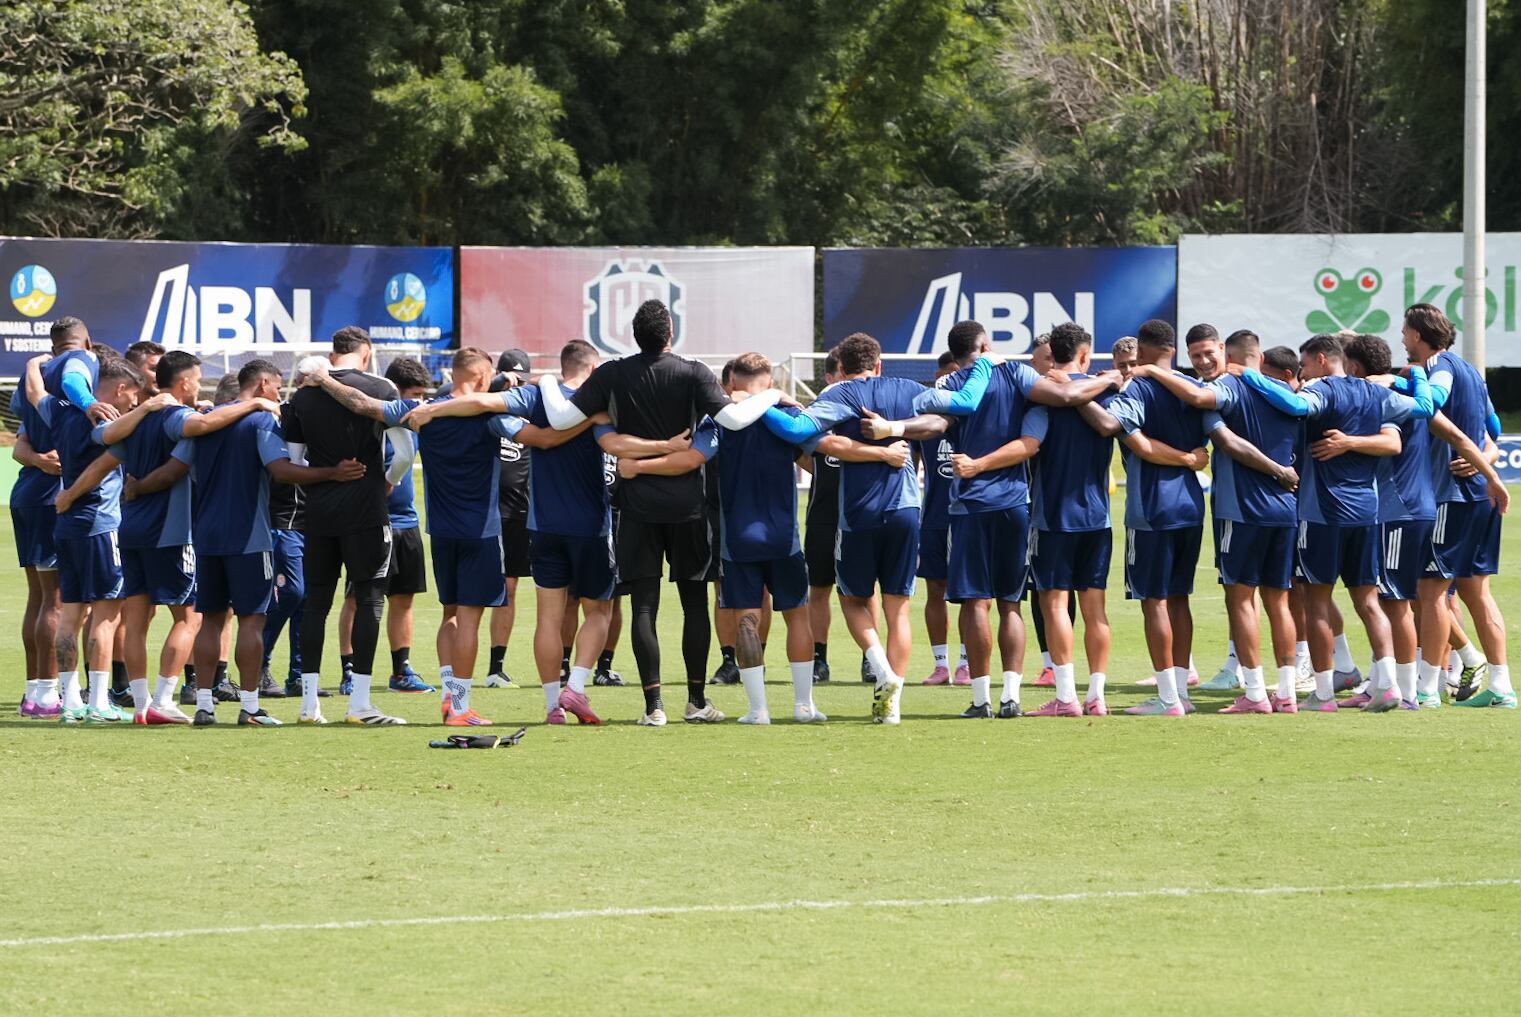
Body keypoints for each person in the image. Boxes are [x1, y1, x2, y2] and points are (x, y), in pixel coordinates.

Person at [536, 298, 782, 725]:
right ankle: (696, 701)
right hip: (687, 507)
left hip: (636, 507)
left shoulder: (612, 372)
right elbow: (738, 421)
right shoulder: (692, 371)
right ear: (671, 333)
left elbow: (559, 420)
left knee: (644, 608)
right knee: (693, 605)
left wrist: (542, 379)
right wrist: (775, 393)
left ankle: (654, 707)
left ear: (635, 335)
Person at [304, 347, 532, 727]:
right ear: (482, 379)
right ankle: (459, 707)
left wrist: (324, 378)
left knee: (450, 615)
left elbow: (362, 404)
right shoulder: (493, 417)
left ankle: (448, 695)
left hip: (440, 530)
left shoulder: (422, 413)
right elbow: (537, 436)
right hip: (482, 531)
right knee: (470, 621)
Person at [60, 350, 284, 723]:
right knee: (190, 619)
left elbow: (102, 458)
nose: (199, 385)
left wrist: (69, 493)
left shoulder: (136, 421)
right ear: (183, 382)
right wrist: (253, 404)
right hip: (169, 531)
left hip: (128, 529)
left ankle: (141, 704)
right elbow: (194, 438)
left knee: (135, 620)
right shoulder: (180, 418)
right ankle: (164, 700)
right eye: (197, 379)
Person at [405, 339, 617, 726]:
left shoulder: (525, 397)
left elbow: (481, 401)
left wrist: (439, 404)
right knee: (599, 611)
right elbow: (544, 437)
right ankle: (576, 686)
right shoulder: (599, 399)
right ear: (594, 367)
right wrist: (592, 418)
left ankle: (548, 705)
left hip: (519, 524)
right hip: (578, 524)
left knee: (530, 618)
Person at [1235, 333, 1431, 711]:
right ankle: (1388, 685)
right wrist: (1416, 375)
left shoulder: (1322, 391)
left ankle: (1323, 693)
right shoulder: (1377, 394)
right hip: (1368, 511)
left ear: (1322, 360)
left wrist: (1249, 375)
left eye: (1305, 366)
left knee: (1317, 600)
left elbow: (1292, 403)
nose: (1302, 374)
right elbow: (1423, 406)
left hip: (1323, 512)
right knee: (1369, 600)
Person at [176, 360, 365, 726]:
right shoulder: (260, 420)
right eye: (278, 387)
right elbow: (282, 470)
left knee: (211, 619)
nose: (279, 394)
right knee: (252, 619)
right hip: (248, 534)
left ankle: (203, 704)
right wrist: (332, 473)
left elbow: (179, 468)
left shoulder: (206, 421)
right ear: (263, 383)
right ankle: (249, 707)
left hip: (206, 534)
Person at [1130, 328, 1304, 712]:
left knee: (1242, 601)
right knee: (1280, 601)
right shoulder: (1286, 394)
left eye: (1208, 353)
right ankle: (1287, 693)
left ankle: (1256, 693)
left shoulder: (1224, 390)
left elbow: (1226, 441)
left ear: (1225, 351)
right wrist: (1289, 473)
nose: (1203, 362)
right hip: (1286, 508)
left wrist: (1153, 371)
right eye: (1196, 356)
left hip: (1242, 510)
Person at [281, 326, 416, 724]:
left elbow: (296, 461)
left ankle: (309, 705)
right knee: (371, 600)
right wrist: (386, 483)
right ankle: (359, 704)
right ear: (366, 351)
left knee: (316, 605)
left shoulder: (303, 395)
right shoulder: (382, 386)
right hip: (366, 510)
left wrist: (327, 475)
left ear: (332, 352)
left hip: (319, 512)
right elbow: (406, 454)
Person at [1079, 320, 1210, 716]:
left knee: (1153, 601)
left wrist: (1078, 394)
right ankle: (1182, 689)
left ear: (1146, 350)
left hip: (1152, 506)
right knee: (1179, 599)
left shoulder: (1141, 388)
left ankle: (1169, 698)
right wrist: (1191, 458)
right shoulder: (1195, 388)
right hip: (1191, 502)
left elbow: (1116, 428)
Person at [23, 352, 162, 723]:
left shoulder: (61, 412)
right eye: (134, 395)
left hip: (66, 527)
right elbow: (104, 463)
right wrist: (148, 411)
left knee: (70, 614)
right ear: (119, 389)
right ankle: (99, 701)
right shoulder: (108, 421)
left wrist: (33, 365)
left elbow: (36, 394)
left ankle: (69, 701)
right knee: (106, 614)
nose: (135, 401)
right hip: (101, 523)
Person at [1401, 303, 1514, 709]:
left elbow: (1434, 399)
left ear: (1417, 335)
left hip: (1451, 495)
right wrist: (1488, 457)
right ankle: (1501, 687)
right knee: (1476, 592)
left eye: (1405, 332)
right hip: (1478, 494)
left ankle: (1427, 689)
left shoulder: (1439, 367)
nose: (1402, 339)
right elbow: (1494, 430)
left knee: (1429, 590)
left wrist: (1420, 392)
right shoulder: (1473, 373)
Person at [708, 354, 825, 723]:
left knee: (746, 619)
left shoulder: (722, 420)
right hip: (783, 537)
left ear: (732, 384)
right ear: (770, 382)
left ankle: (758, 709)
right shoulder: (787, 418)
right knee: (798, 617)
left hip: (738, 536)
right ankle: (804, 705)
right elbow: (816, 465)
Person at [335, 357, 436, 695]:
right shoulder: (368, 422)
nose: (418, 402)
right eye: (414, 395)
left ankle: (400, 670)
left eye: (423, 395)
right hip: (370, 521)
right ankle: (349, 670)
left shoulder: (415, 423)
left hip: (407, 521)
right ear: (394, 393)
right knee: (358, 598)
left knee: (403, 598)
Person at [917, 351, 970, 687]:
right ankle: (940, 665)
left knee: (970, 593)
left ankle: (967, 663)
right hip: (934, 516)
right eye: (943, 377)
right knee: (935, 589)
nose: (946, 383)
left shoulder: (976, 415)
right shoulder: (925, 416)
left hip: (968, 515)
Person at [487, 347, 534, 689]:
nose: (515, 385)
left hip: (521, 514)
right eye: (511, 378)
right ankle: (454, 670)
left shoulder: (531, 412)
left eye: (521, 379)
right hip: (485, 512)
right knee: (472, 595)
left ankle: (495, 667)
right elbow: (449, 394)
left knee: (511, 588)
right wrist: (497, 383)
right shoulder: (479, 407)